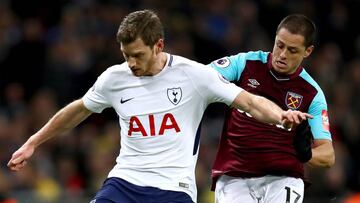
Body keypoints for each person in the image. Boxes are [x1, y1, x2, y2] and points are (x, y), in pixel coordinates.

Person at [7, 10, 311, 203]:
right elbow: (78, 110)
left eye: (138, 55)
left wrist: (281, 116)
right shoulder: (115, 78)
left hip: (173, 190)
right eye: (126, 55)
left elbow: (249, 101)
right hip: (124, 182)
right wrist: (34, 142)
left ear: (159, 46)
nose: (131, 63)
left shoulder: (194, 76)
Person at [209, 14, 335, 203]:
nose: (283, 55)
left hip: (284, 178)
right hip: (235, 175)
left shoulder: (312, 94)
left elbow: (328, 156)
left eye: (292, 50)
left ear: (307, 51)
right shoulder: (245, 64)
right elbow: (202, 77)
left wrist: (305, 153)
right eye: (280, 45)